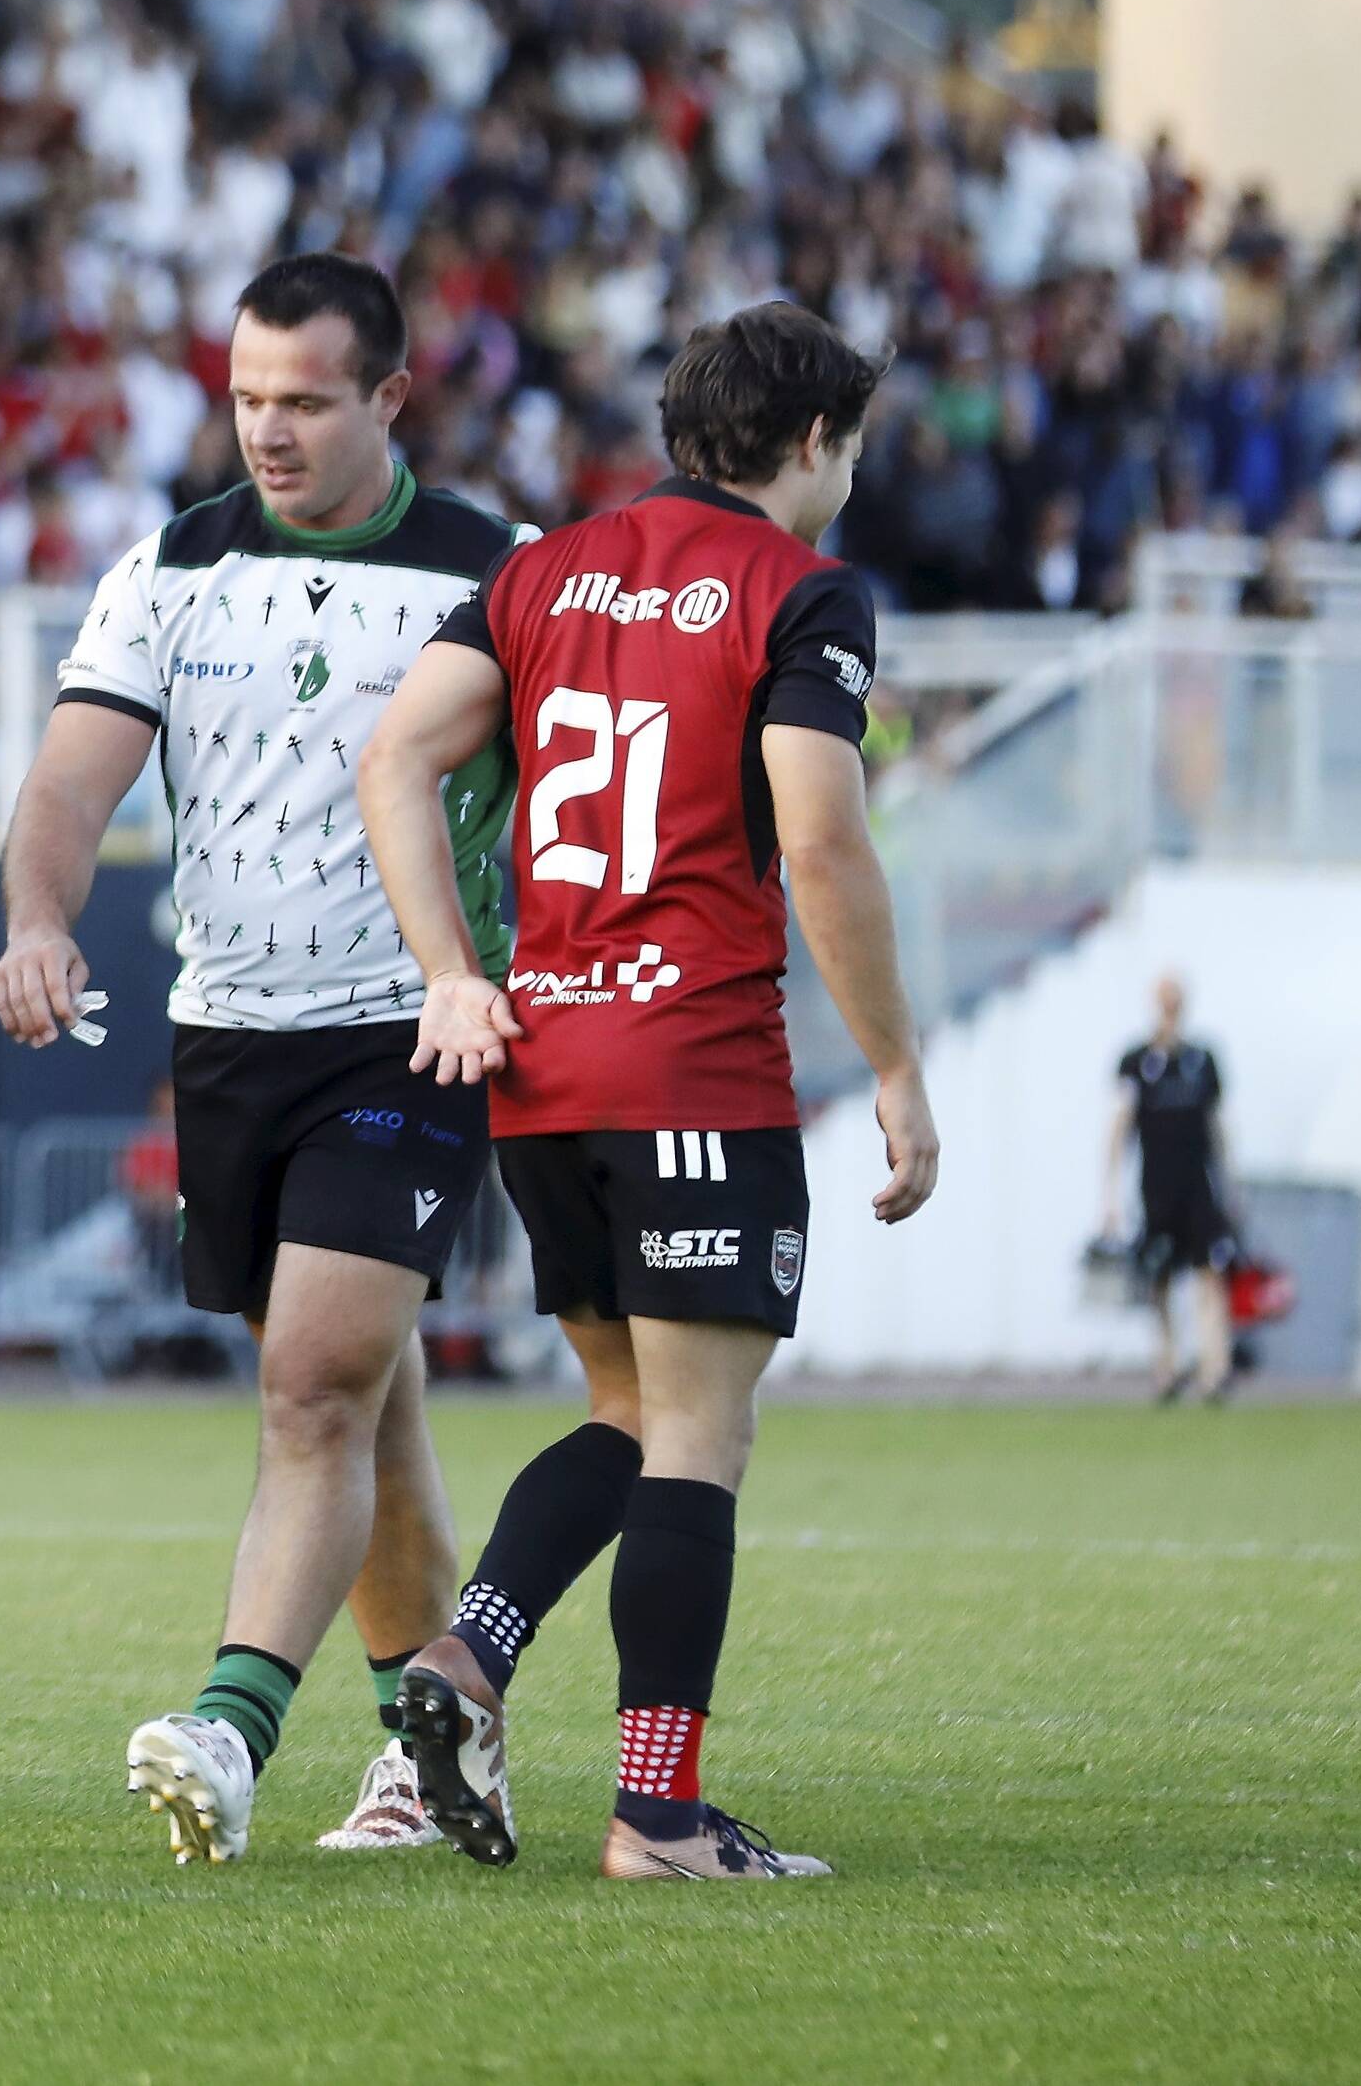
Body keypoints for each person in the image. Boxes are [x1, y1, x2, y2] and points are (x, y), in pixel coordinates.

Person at [357, 298, 943, 1881]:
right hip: (692, 1057)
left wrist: (451, 970)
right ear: (815, 441)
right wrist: (894, 1063)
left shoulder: (540, 570)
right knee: (701, 1436)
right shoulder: (807, 590)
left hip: (544, 1069)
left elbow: (393, 756)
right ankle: (658, 1816)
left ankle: (463, 1658)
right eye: (854, 445)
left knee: (626, 1409)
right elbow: (817, 835)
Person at [0, 249, 519, 1868]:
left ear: (388, 395)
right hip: (227, 1032)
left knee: (312, 1387)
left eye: (303, 399)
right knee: (373, 1404)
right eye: (245, 397)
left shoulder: (503, 574)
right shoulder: (169, 569)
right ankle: (439, 1757)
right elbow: (73, 787)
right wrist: (36, 918)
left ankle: (230, 1725)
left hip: (409, 1026)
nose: (268, 429)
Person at [1105, 975, 1235, 1405]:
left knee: (1209, 1276)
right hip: (1157, 1190)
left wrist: (1231, 1188)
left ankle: (1214, 1371)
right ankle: (1168, 1367)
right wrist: (1108, 1196)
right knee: (1159, 1278)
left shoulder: (1202, 1061)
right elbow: (1119, 1130)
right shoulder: (1138, 1062)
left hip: (1198, 1187)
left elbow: (1218, 1128)